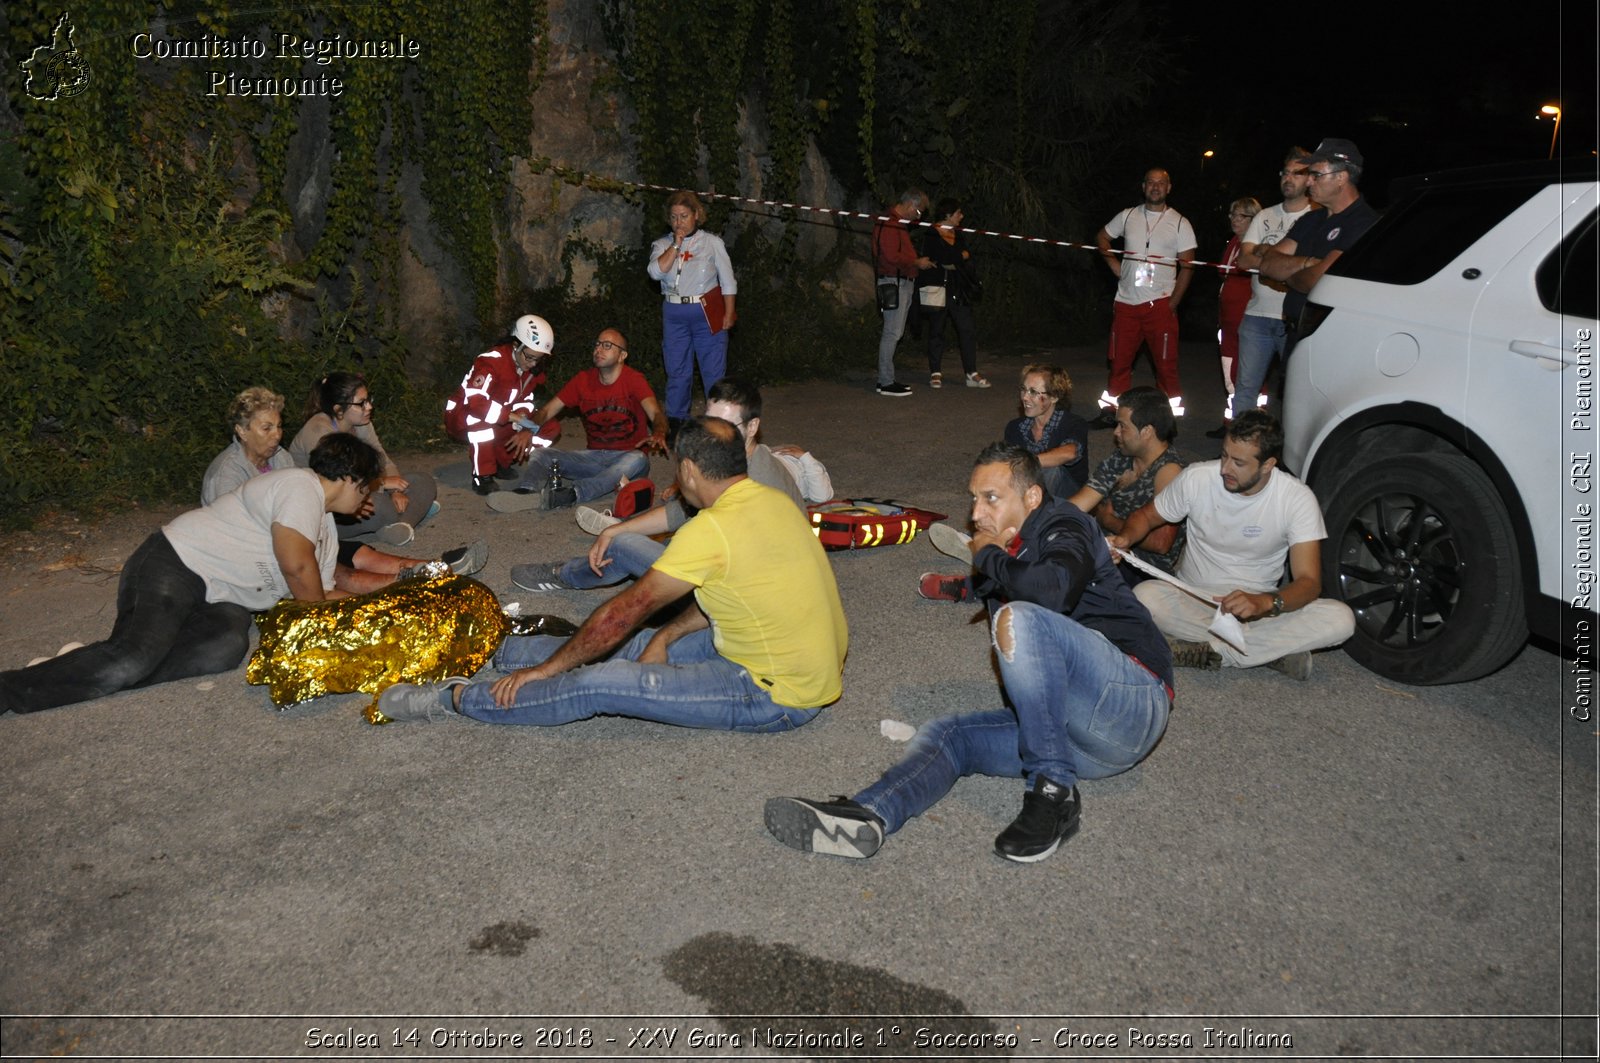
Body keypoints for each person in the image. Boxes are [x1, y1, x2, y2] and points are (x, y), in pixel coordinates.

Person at [765, 443, 1173, 864]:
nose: (977, 514)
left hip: (1134, 702)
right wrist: (971, 582)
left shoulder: (1066, 524)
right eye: (975, 499)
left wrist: (987, 555)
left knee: (1020, 619)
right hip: (1080, 741)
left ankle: (1053, 790)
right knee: (948, 733)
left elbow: (1050, 590)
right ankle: (868, 814)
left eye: (991, 498)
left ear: (1032, 497)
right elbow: (1008, 580)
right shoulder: (1015, 544)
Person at [377, 417, 849, 733]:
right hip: (766, 651)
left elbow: (621, 613)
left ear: (687, 469)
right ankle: (491, 650)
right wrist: (663, 638)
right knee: (642, 643)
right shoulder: (772, 501)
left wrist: (544, 673)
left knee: (600, 682)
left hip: (776, 694)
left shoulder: (712, 529)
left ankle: (456, 699)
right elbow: (722, 599)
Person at [1, 434, 379, 715]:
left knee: (224, 649)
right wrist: (321, 615)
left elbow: (321, 591)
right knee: (132, 657)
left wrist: (377, 610)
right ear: (350, 478)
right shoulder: (300, 486)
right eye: (366, 490)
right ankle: (13, 688)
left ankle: (89, 666)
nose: (366, 501)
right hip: (176, 563)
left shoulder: (325, 527)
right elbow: (298, 569)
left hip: (222, 595)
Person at [1109, 410, 1355, 679]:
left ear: (1268, 464)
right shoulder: (1198, 478)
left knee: (1341, 619)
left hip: (1259, 609)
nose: (1225, 468)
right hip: (1196, 598)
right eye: (1224, 455)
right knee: (1146, 596)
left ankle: (1214, 651)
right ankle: (1268, 652)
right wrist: (1126, 538)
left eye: (1238, 462)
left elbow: (1309, 583)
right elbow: (1145, 516)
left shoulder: (1296, 498)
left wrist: (1266, 603)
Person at [510, 376, 816, 592]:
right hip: (727, 563)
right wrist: (616, 527)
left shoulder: (757, 482)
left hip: (748, 590)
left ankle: (563, 575)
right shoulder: (732, 458)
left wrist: (624, 537)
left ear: (752, 428)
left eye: (726, 426)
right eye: (708, 422)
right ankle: (591, 561)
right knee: (631, 538)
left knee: (627, 548)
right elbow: (679, 511)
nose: (711, 435)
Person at [487, 328, 668, 513]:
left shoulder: (634, 380)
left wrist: (659, 432)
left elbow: (656, 413)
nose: (599, 349)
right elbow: (548, 410)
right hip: (593, 459)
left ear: (622, 355)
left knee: (638, 458)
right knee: (541, 454)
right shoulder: (583, 380)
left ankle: (571, 494)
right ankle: (526, 492)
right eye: (597, 344)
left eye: (607, 346)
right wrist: (528, 429)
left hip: (627, 459)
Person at [1091, 168, 1197, 428]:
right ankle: (1111, 411)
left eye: (1161, 183)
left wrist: (1173, 303)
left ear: (1169, 188)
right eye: (1151, 182)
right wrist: (1116, 266)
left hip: (1159, 305)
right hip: (1126, 304)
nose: (1155, 187)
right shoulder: (1128, 216)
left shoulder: (1180, 223)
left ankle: (1168, 418)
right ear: (1143, 186)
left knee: (1166, 365)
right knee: (1119, 362)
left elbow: (1189, 265)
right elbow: (1101, 237)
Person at [288, 372, 438, 545]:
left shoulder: (360, 422)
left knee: (423, 481)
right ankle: (408, 516)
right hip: (326, 509)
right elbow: (340, 486)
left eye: (368, 400)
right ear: (339, 410)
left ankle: (399, 523)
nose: (369, 407)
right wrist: (382, 484)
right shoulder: (319, 432)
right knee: (380, 506)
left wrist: (395, 491)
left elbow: (384, 461)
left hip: (359, 490)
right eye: (361, 403)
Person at [1258, 139, 1379, 347]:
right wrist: (1307, 263)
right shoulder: (1310, 219)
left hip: (1331, 339)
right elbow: (1267, 265)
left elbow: (1318, 281)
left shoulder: (1365, 223)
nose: (1308, 182)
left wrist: (1289, 275)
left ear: (1341, 177)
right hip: (1295, 333)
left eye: (1316, 175)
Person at [1229, 148, 1319, 422]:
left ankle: (1289, 453)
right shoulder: (1265, 215)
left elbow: (1315, 266)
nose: (1289, 178)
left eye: (1297, 173)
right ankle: (1240, 450)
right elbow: (1244, 260)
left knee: (1295, 392)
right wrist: (1284, 260)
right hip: (1256, 317)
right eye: (1285, 173)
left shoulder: (1316, 218)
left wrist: (1264, 251)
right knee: (1245, 390)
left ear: (1310, 179)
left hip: (1294, 319)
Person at [1067, 386, 1188, 580]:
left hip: (1142, 567)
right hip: (1108, 549)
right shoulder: (1123, 458)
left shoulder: (1170, 472)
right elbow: (1081, 502)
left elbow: (1160, 543)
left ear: (1147, 431)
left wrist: (1108, 520)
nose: (1116, 432)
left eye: (1123, 426)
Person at [647, 190, 737, 426]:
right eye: (675, 217)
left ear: (696, 215)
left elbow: (728, 280)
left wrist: (728, 313)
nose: (679, 222)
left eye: (684, 216)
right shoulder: (662, 244)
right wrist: (675, 246)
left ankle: (718, 424)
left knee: (713, 373)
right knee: (677, 372)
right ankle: (677, 424)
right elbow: (655, 273)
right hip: (674, 313)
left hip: (707, 312)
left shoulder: (712, 243)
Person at [444, 314, 560, 495]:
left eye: (538, 359)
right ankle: (482, 475)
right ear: (516, 345)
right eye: (529, 357)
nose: (532, 363)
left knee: (550, 426)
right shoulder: (491, 361)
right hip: (463, 416)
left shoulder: (531, 370)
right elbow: (476, 402)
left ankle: (503, 461)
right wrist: (511, 416)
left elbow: (527, 400)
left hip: (501, 417)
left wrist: (523, 416)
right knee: (480, 422)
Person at [917, 197, 988, 389]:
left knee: (967, 329)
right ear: (948, 214)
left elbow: (966, 256)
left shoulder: (959, 234)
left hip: (958, 288)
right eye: (958, 213)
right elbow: (943, 257)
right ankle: (935, 372)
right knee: (937, 330)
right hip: (937, 288)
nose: (961, 216)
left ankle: (971, 373)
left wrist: (955, 259)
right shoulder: (931, 233)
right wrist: (958, 257)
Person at [872, 189, 934, 397]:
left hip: (900, 281)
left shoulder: (896, 223)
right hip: (895, 282)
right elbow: (890, 257)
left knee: (894, 332)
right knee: (892, 332)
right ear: (910, 204)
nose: (918, 217)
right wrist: (916, 262)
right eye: (918, 212)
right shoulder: (890, 222)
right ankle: (886, 381)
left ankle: (887, 379)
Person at [1207, 197, 1260, 438]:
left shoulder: (1258, 246)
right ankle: (1232, 424)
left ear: (1253, 219)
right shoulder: (1234, 243)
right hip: (1227, 322)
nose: (1234, 220)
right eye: (1232, 215)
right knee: (1230, 374)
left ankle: (1253, 426)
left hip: (1247, 323)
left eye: (1240, 216)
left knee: (1248, 374)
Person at [1002, 364, 1087, 499]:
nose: (1025, 397)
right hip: (1028, 490)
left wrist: (1027, 463)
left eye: (1034, 392)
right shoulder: (1015, 428)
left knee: (1049, 470)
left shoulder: (1073, 423)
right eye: (1023, 389)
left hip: (1070, 496)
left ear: (1054, 397)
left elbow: (1070, 453)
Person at [201, 387, 293, 505]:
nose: (277, 435)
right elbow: (231, 519)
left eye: (279, 426)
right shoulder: (227, 473)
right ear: (242, 431)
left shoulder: (282, 457)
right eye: (266, 428)